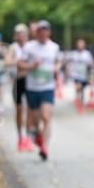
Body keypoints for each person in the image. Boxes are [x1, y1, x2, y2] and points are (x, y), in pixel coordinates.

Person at [19, 20, 61, 161]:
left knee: (46, 116)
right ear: (37, 33)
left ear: (49, 32)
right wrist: (31, 65)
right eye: (40, 31)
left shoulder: (54, 47)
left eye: (45, 30)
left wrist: (57, 67)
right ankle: (38, 134)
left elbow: (58, 61)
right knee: (36, 120)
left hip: (47, 87)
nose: (43, 33)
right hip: (32, 87)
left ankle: (45, 147)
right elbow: (20, 64)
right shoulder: (29, 47)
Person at [7, 24, 33, 151]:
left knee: (29, 110)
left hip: (30, 82)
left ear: (27, 35)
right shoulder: (13, 47)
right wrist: (18, 62)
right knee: (19, 110)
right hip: (18, 81)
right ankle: (20, 137)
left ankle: (27, 137)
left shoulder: (31, 46)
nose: (20, 36)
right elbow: (7, 62)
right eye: (18, 33)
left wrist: (25, 65)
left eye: (23, 33)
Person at [66, 38, 94, 112]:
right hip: (76, 75)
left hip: (84, 75)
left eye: (82, 44)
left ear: (84, 45)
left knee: (82, 89)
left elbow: (92, 64)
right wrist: (68, 72)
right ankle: (78, 99)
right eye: (79, 44)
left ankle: (80, 101)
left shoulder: (87, 54)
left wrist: (90, 67)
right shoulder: (73, 54)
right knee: (78, 87)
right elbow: (68, 63)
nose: (80, 45)